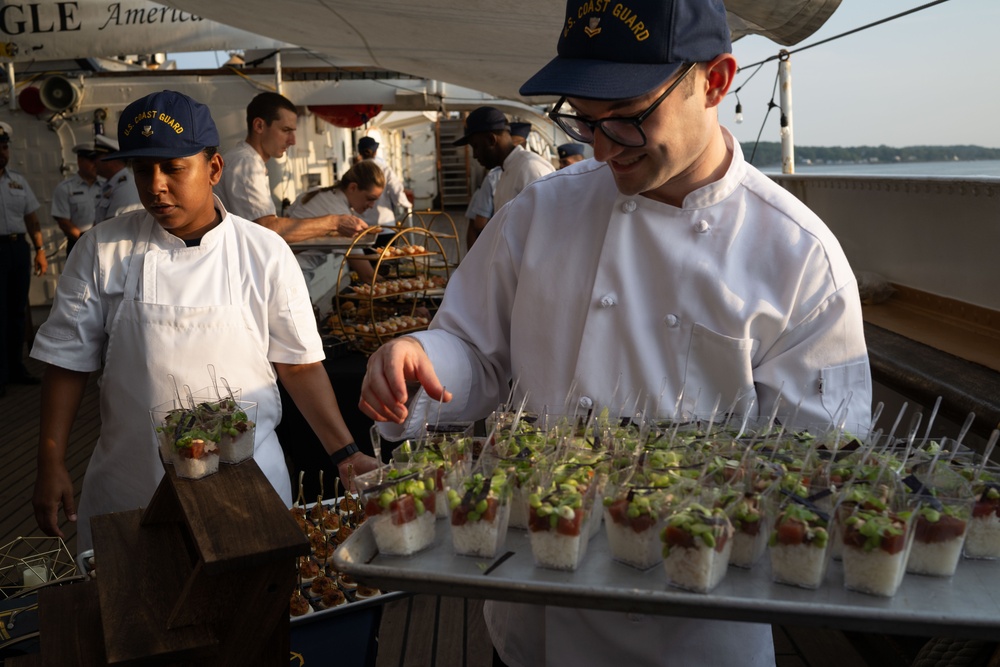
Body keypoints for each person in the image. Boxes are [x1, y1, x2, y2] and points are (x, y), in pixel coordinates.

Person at [359, 1, 871, 665]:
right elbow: (475, 349)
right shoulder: (542, 211)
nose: (600, 147)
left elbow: (819, 472)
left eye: (628, 118)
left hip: (691, 628)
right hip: (534, 610)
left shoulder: (798, 258)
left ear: (715, 80)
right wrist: (419, 355)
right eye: (582, 118)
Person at [30, 90, 378, 554]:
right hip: (134, 483)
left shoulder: (263, 251)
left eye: (173, 168)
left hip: (248, 484)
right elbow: (68, 362)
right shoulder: (102, 248)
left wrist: (345, 452)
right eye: (142, 170)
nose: (155, 186)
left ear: (213, 169)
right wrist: (50, 460)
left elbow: (297, 364)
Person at [215, 91, 367, 243]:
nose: (293, 141)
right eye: (286, 130)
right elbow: (267, 229)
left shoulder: (247, 160)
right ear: (259, 125)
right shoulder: (246, 163)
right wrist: (335, 222)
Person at [287, 160, 384, 302]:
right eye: (370, 199)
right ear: (353, 187)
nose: (371, 206)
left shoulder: (318, 192)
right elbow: (367, 276)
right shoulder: (340, 214)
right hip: (293, 277)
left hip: (287, 271)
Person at [457, 107, 554, 249]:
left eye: (476, 146)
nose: (475, 155)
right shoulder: (506, 171)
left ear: (491, 140)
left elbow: (549, 231)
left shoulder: (531, 168)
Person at [0, 121, 47, 397]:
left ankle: (16, 367)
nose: (2, 152)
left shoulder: (18, 181)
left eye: (4, 147)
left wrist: (40, 250)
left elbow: (31, 218)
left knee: (17, 311)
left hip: (18, 250)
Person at [52, 142, 104, 256]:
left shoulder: (106, 185)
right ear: (80, 161)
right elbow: (63, 222)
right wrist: (85, 241)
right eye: (92, 160)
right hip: (78, 244)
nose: (96, 164)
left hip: (105, 243)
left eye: (97, 160)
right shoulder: (65, 188)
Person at [356, 136, 411, 231]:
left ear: (360, 152)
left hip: (362, 227)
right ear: (375, 152)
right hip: (385, 225)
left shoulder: (354, 171)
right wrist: (406, 205)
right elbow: (396, 191)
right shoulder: (384, 169)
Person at [93, 135, 142, 222]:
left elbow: (113, 228)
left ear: (110, 159)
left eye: (96, 157)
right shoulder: (110, 185)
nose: (93, 162)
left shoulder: (126, 187)